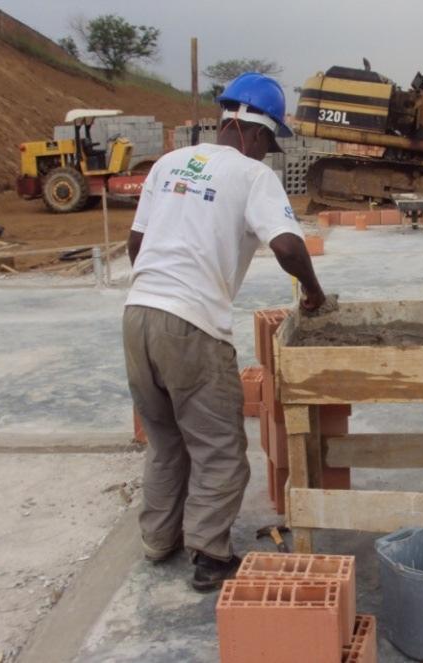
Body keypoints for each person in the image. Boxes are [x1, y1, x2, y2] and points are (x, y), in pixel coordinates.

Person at [122, 73, 326, 591]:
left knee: (166, 441)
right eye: (268, 143)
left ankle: (157, 540)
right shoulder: (252, 176)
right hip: (191, 325)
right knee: (220, 448)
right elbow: (287, 247)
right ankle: (210, 556)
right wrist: (314, 292)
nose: (266, 154)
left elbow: (136, 243)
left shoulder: (168, 164)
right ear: (255, 133)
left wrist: (159, 286)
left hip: (137, 314)